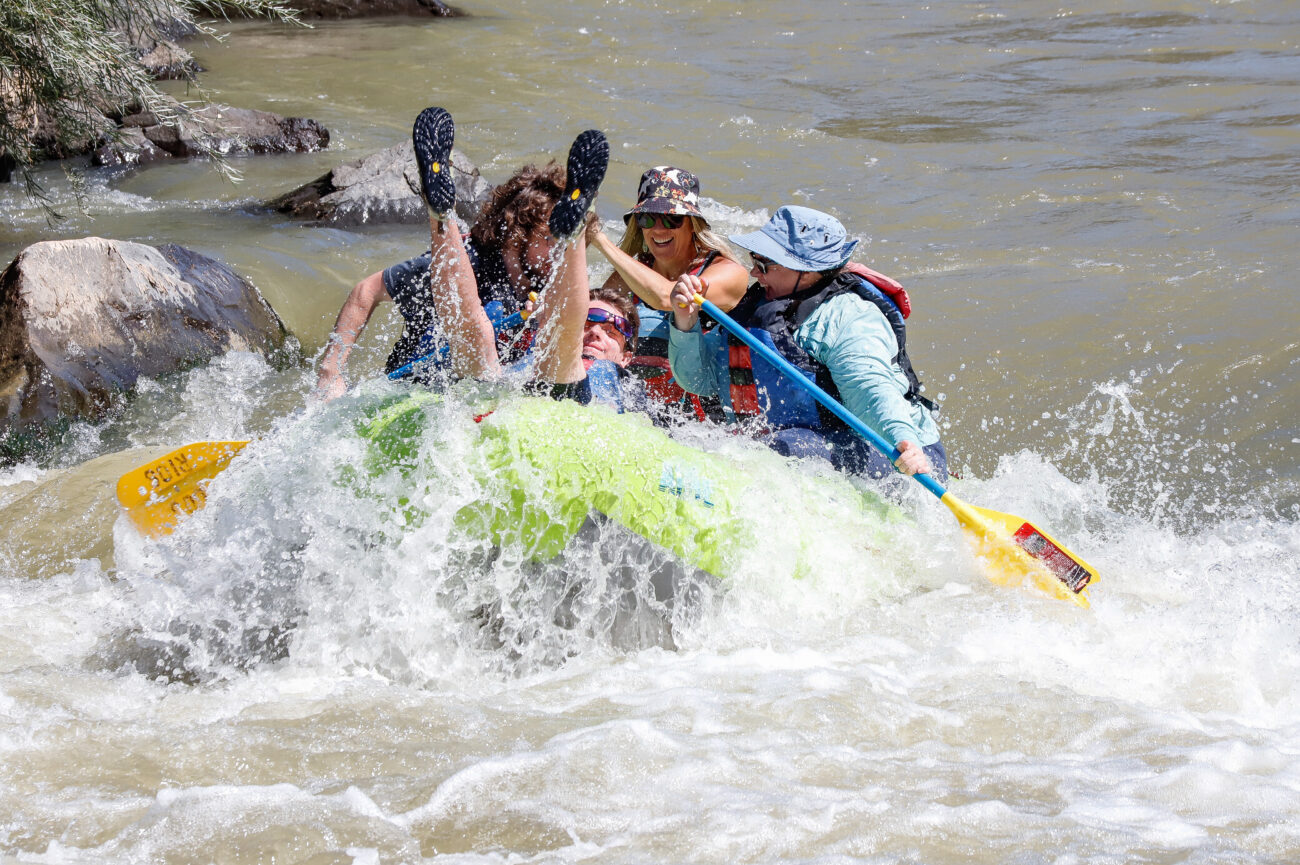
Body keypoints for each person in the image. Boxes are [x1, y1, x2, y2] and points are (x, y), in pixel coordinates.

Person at [667, 205, 947, 481]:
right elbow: (699, 380)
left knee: (786, 447)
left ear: (808, 271)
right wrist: (685, 323)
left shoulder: (849, 315)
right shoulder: (758, 307)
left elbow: (870, 387)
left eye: (763, 264)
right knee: (767, 447)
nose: (754, 273)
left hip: (897, 453)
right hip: (792, 447)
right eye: (753, 259)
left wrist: (903, 440)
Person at [315, 142, 569, 399]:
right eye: (549, 239)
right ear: (517, 232)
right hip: (413, 390)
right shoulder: (462, 263)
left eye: (565, 242)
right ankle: (438, 209)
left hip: (481, 393)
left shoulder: (546, 277)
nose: (559, 252)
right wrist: (331, 372)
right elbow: (367, 290)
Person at [584, 167, 749, 419]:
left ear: (693, 224)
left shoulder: (728, 273)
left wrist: (598, 239)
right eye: (647, 219)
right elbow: (583, 315)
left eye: (672, 219)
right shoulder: (631, 275)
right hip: (638, 409)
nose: (658, 229)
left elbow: (666, 298)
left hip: (702, 421)